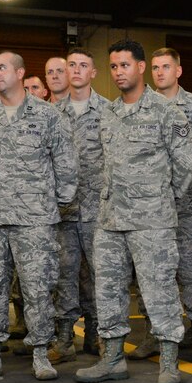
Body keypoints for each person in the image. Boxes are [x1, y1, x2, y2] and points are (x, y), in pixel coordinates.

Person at [75, 40, 192, 383]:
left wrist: (159, 200)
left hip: (151, 220)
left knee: (159, 291)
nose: (118, 72)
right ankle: (112, 358)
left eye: (124, 65)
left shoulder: (167, 111)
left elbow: (186, 165)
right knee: (108, 290)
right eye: (113, 67)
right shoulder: (108, 113)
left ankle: (170, 363)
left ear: (141, 67)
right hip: (110, 220)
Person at [0, 52, 77, 381]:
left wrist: (49, 205)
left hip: (34, 219)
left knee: (38, 287)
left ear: (20, 72)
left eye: (2, 68)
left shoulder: (48, 116)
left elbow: (67, 166)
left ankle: (41, 352)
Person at [144, 47, 192, 360]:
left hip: (187, 207)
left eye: (165, 67)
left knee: (191, 271)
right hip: (150, 207)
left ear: (178, 70)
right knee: (151, 273)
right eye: (155, 67)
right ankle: (153, 336)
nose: (160, 72)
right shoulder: (142, 107)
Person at [48, 47, 109, 362]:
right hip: (63, 210)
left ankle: (98, 336)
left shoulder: (108, 111)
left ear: (93, 72)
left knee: (100, 275)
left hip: (97, 209)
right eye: (71, 65)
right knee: (65, 274)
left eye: (83, 65)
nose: (75, 70)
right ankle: (64, 338)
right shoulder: (51, 113)